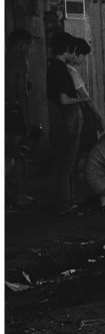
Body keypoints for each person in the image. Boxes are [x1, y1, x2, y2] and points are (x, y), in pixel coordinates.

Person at [48, 32, 92, 214]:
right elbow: (65, 99)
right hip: (67, 117)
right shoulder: (62, 70)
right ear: (67, 48)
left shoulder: (52, 67)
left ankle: (64, 201)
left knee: (62, 160)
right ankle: (65, 204)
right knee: (67, 161)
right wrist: (83, 101)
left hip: (59, 117)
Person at [6, 29, 34, 206]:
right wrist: (27, 118)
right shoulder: (21, 62)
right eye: (29, 46)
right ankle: (21, 195)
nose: (29, 50)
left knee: (6, 155)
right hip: (14, 110)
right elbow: (21, 92)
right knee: (20, 153)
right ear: (21, 45)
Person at [68, 38, 105, 157]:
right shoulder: (71, 72)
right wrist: (98, 115)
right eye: (83, 56)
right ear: (77, 53)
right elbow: (84, 97)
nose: (84, 59)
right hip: (82, 112)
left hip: (77, 112)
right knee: (87, 149)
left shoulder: (70, 70)